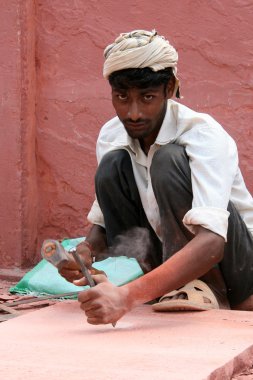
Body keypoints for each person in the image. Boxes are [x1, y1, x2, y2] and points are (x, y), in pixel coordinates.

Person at [59, 30, 253, 325]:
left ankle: (211, 292)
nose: (133, 113)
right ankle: (170, 288)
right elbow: (103, 225)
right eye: (122, 97)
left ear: (170, 88)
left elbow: (213, 241)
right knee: (112, 166)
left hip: (240, 274)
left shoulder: (203, 135)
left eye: (147, 97)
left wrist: (127, 296)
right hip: (171, 269)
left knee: (168, 160)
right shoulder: (112, 135)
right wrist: (84, 254)